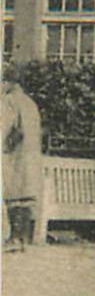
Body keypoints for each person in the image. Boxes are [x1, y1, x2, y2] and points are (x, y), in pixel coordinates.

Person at [2, 73, 45, 251]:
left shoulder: (9, 100)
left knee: (14, 194)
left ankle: (14, 238)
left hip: (15, 154)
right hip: (31, 154)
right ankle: (22, 239)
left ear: (7, 83)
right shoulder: (30, 102)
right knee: (25, 195)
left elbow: (5, 126)